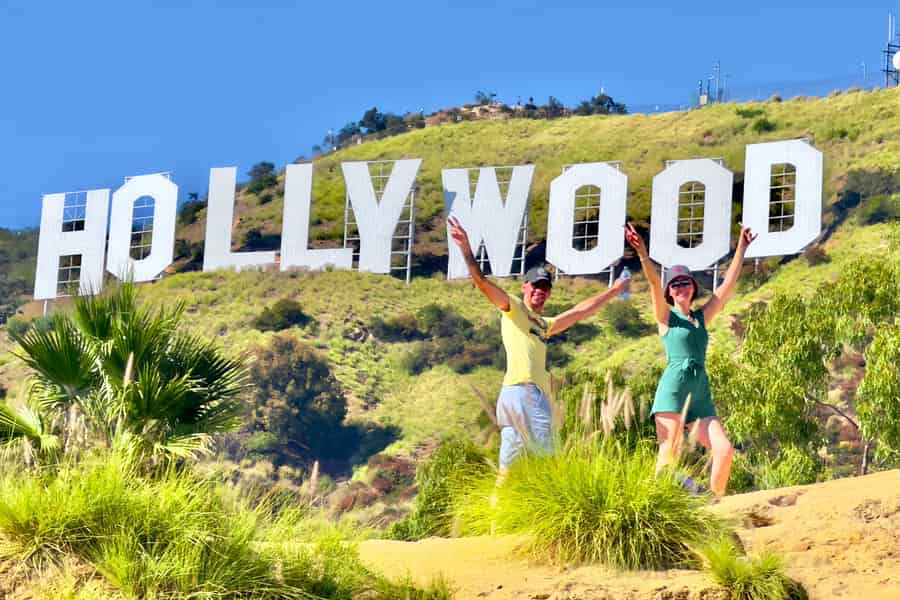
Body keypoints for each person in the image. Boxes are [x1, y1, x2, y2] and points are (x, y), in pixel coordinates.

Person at [448, 216, 630, 472]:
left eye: (545, 288)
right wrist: (466, 249)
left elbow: (579, 311)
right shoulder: (513, 308)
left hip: (514, 397)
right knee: (550, 461)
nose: (540, 291)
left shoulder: (545, 324)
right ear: (524, 287)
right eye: (536, 286)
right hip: (526, 392)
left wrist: (613, 291)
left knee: (507, 471)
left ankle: (496, 508)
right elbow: (482, 283)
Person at [624, 222, 757, 497]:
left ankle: (714, 505)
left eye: (685, 282)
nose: (681, 287)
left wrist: (741, 248)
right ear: (670, 292)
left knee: (724, 450)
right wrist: (642, 253)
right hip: (674, 387)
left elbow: (727, 286)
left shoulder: (701, 318)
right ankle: (660, 506)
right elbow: (651, 281)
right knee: (669, 455)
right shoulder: (666, 317)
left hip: (699, 391)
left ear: (693, 287)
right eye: (675, 284)